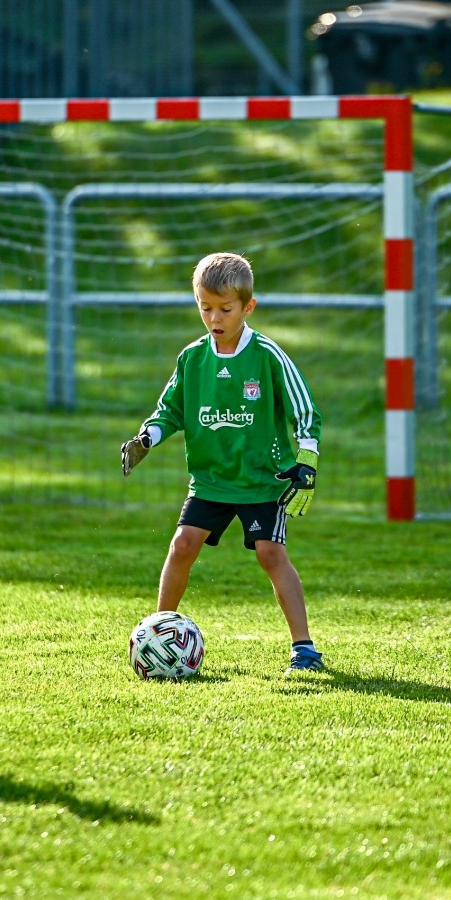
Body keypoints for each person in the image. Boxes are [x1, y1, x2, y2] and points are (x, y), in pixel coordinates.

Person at [121, 252, 327, 676]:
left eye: (224, 309)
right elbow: (170, 410)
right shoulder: (193, 358)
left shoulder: (267, 355)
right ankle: (159, 634)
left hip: (261, 481)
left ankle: (304, 650)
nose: (214, 317)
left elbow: (303, 408)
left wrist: (306, 457)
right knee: (182, 545)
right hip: (211, 480)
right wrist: (148, 437)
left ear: (247, 307)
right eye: (205, 307)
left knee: (271, 554)